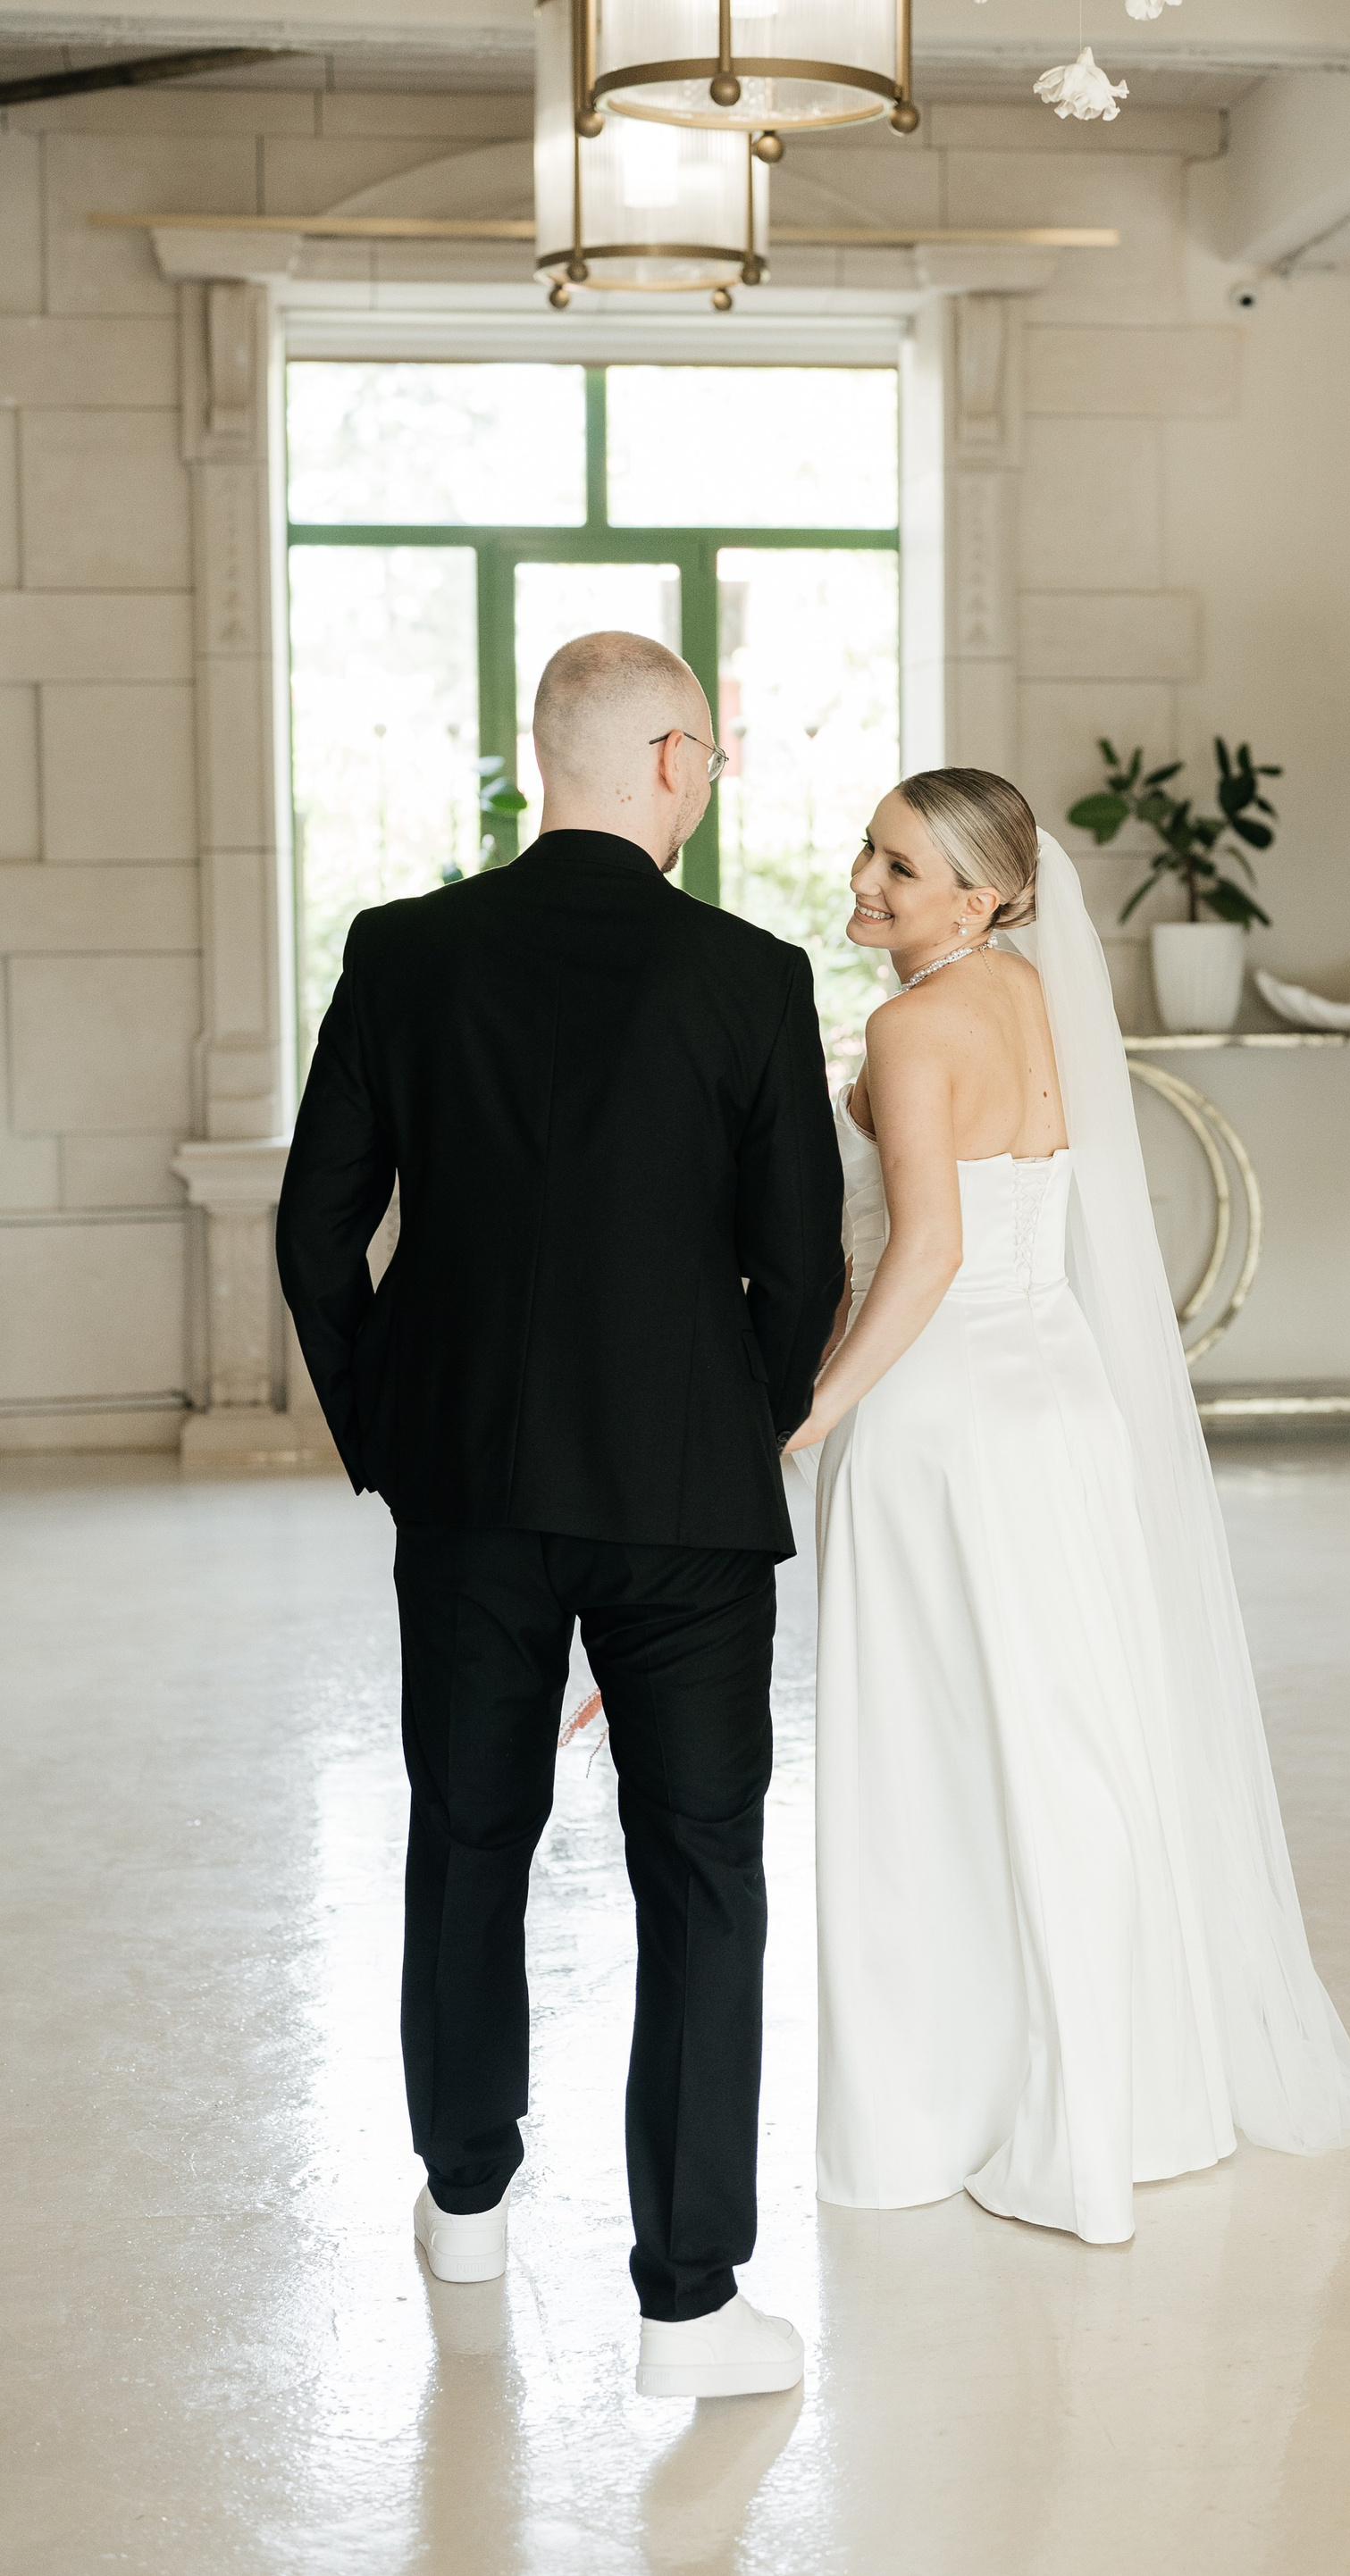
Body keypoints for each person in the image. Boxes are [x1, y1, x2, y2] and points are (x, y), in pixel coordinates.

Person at [277, 631, 845, 2396]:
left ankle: (464, 2197)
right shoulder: (751, 974)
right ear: (672, 761)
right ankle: (689, 2301)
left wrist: (390, 1432)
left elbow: (315, 1231)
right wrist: (735, 1432)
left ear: (552, 757)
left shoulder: (404, 949)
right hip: (685, 1501)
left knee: (468, 1832)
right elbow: (803, 1262)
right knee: (703, 1872)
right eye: (713, 753)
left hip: (467, 1486)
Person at [786, 769, 1350, 2245]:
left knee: (938, 1754)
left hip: (939, 1416)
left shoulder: (911, 1026)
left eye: (902, 867)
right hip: (1061, 1399)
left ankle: (952, 2109)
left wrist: (807, 1416)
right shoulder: (1042, 1000)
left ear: (985, 896)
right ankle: (1126, 2100)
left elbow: (926, 1253)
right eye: (871, 849)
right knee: (1072, 1739)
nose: (865, 879)